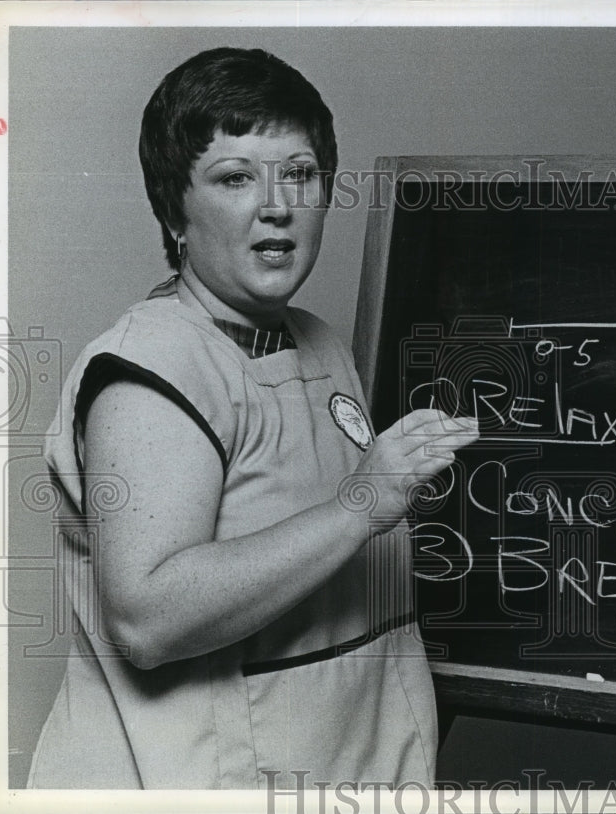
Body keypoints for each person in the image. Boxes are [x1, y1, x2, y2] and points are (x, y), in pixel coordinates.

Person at [27, 47, 478, 790]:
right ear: (175, 210)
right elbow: (149, 618)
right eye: (235, 177)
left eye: (299, 174)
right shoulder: (153, 370)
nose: (277, 203)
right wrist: (363, 502)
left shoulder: (317, 341)